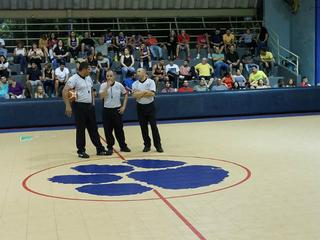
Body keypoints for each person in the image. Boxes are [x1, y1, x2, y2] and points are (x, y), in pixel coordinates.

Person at [62, 62, 108, 158]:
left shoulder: (88, 78)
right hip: (79, 106)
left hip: (89, 106)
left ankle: (99, 149)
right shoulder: (73, 78)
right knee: (81, 129)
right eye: (89, 69)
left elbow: (91, 90)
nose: (90, 71)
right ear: (83, 69)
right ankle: (81, 151)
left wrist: (93, 102)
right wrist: (68, 106)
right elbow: (65, 91)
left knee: (94, 128)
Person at [99, 70, 131, 155]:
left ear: (114, 76)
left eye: (110, 76)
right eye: (107, 76)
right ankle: (110, 147)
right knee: (108, 130)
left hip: (117, 110)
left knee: (119, 130)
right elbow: (101, 97)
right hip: (107, 110)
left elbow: (126, 94)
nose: (109, 77)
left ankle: (123, 146)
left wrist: (123, 106)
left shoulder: (119, 85)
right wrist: (107, 87)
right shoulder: (103, 85)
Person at [132, 68, 163, 153]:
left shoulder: (151, 82)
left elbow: (152, 94)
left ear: (144, 73)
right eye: (137, 71)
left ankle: (158, 145)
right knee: (143, 127)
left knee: (154, 127)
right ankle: (147, 145)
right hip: (140, 107)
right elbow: (135, 96)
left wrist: (140, 93)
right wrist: (145, 92)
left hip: (150, 106)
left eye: (139, 71)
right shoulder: (135, 84)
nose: (137, 73)